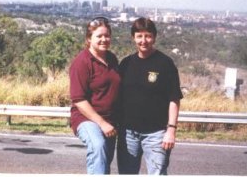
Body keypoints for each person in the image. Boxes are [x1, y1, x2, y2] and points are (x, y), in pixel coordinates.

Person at [117, 17, 183, 175]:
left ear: (154, 37)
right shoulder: (126, 64)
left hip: (156, 134)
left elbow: (174, 99)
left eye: (148, 36)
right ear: (133, 37)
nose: (143, 40)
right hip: (128, 134)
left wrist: (171, 130)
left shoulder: (165, 64)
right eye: (139, 36)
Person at [69, 17, 120, 174]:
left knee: (103, 164)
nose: (104, 39)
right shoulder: (81, 62)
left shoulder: (111, 58)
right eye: (99, 36)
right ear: (89, 39)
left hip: (110, 119)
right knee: (98, 146)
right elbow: (78, 99)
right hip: (86, 118)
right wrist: (102, 123)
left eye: (107, 36)